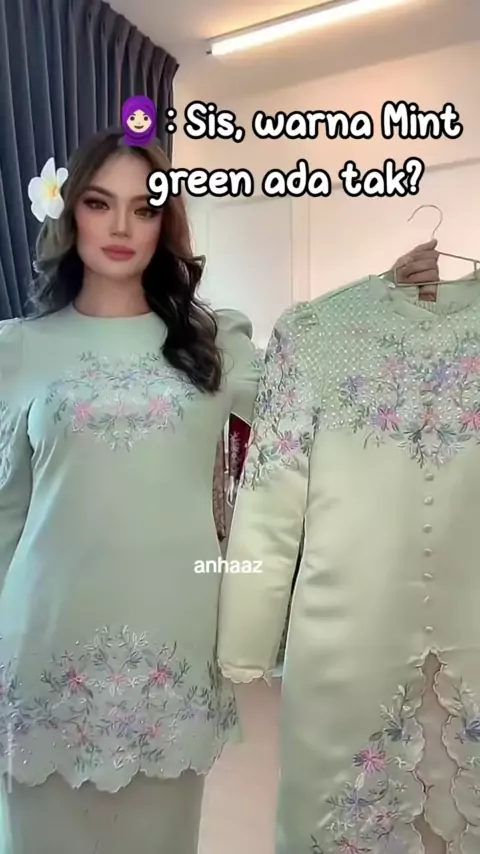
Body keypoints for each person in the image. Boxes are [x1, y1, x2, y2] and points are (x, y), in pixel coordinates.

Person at [0, 123, 439, 854]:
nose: (121, 227)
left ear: (166, 223)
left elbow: (320, 386)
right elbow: (6, 514)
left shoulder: (210, 343)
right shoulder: (17, 349)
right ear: (70, 212)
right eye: (100, 203)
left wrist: (381, 300)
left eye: (145, 208)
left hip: (173, 643)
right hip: (44, 646)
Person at [217, 247, 480, 854]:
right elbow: (270, 500)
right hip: (349, 648)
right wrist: (245, 642)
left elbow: (269, 500)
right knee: (346, 815)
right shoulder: (314, 334)